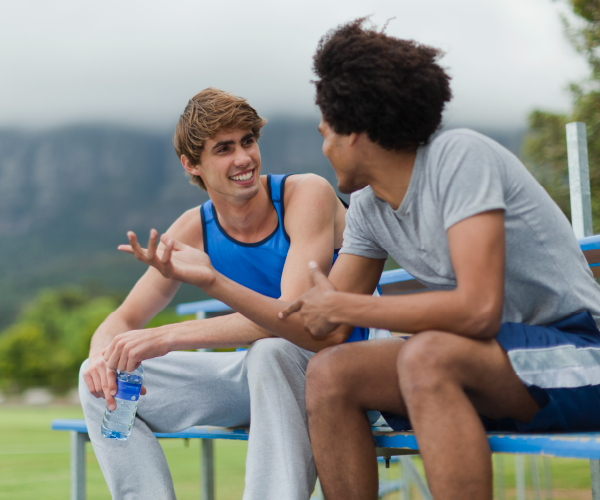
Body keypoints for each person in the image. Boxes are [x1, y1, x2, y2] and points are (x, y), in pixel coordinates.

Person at [136, 20, 600, 500]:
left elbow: (476, 309)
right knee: (332, 372)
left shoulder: (460, 157)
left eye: (327, 133)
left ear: (356, 132)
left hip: (579, 352)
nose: (323, 145)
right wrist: (213, 281)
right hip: (486, 364)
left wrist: (350, 308)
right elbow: (323, 331)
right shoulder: (370, 209)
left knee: (426, 354)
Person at [80, 87, 389, 500]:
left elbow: (292, 318)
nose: (243, 158)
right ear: (192, 164)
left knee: (271, 352)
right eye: (224, 149)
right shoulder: (194, 227)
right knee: (96, 380)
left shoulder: (304, 195)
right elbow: (122, 319)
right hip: (263, 380)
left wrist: (168, 335)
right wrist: (103, 358)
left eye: (248, 141)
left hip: (339, 368)